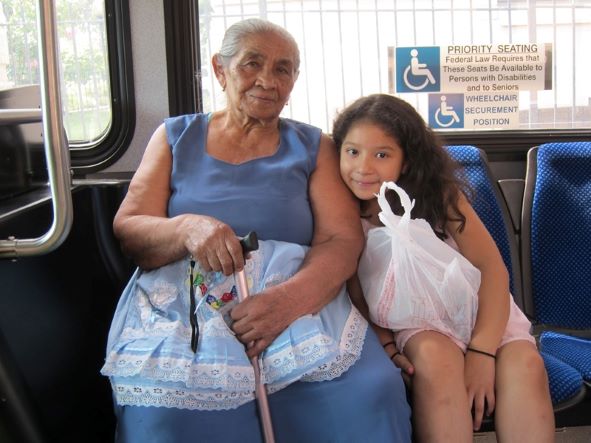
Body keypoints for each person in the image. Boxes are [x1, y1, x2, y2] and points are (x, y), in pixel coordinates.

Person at [101, 20, 411, 443]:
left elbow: (341, 241)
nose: (267, 80)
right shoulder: (174, 137)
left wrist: (290, 301)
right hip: (189, 308)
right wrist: (187, 227)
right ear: (220, 69)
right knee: (169, 416)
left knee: (369, 393)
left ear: (294, 81)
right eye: (252, 64)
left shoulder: (313, 145)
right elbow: (130, 228)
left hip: (302, 301)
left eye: (283, 69)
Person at [332, 93, 555, 443]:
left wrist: (482, 352)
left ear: (405, 162)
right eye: (352, 151)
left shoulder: (439, 196)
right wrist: (387, 344)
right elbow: (355, 293)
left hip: (479, 311)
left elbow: (491, 268)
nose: (363, 167)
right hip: (418, 322)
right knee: (437, 361)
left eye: (382, 154)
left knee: (525, 366)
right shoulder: (340, 213)